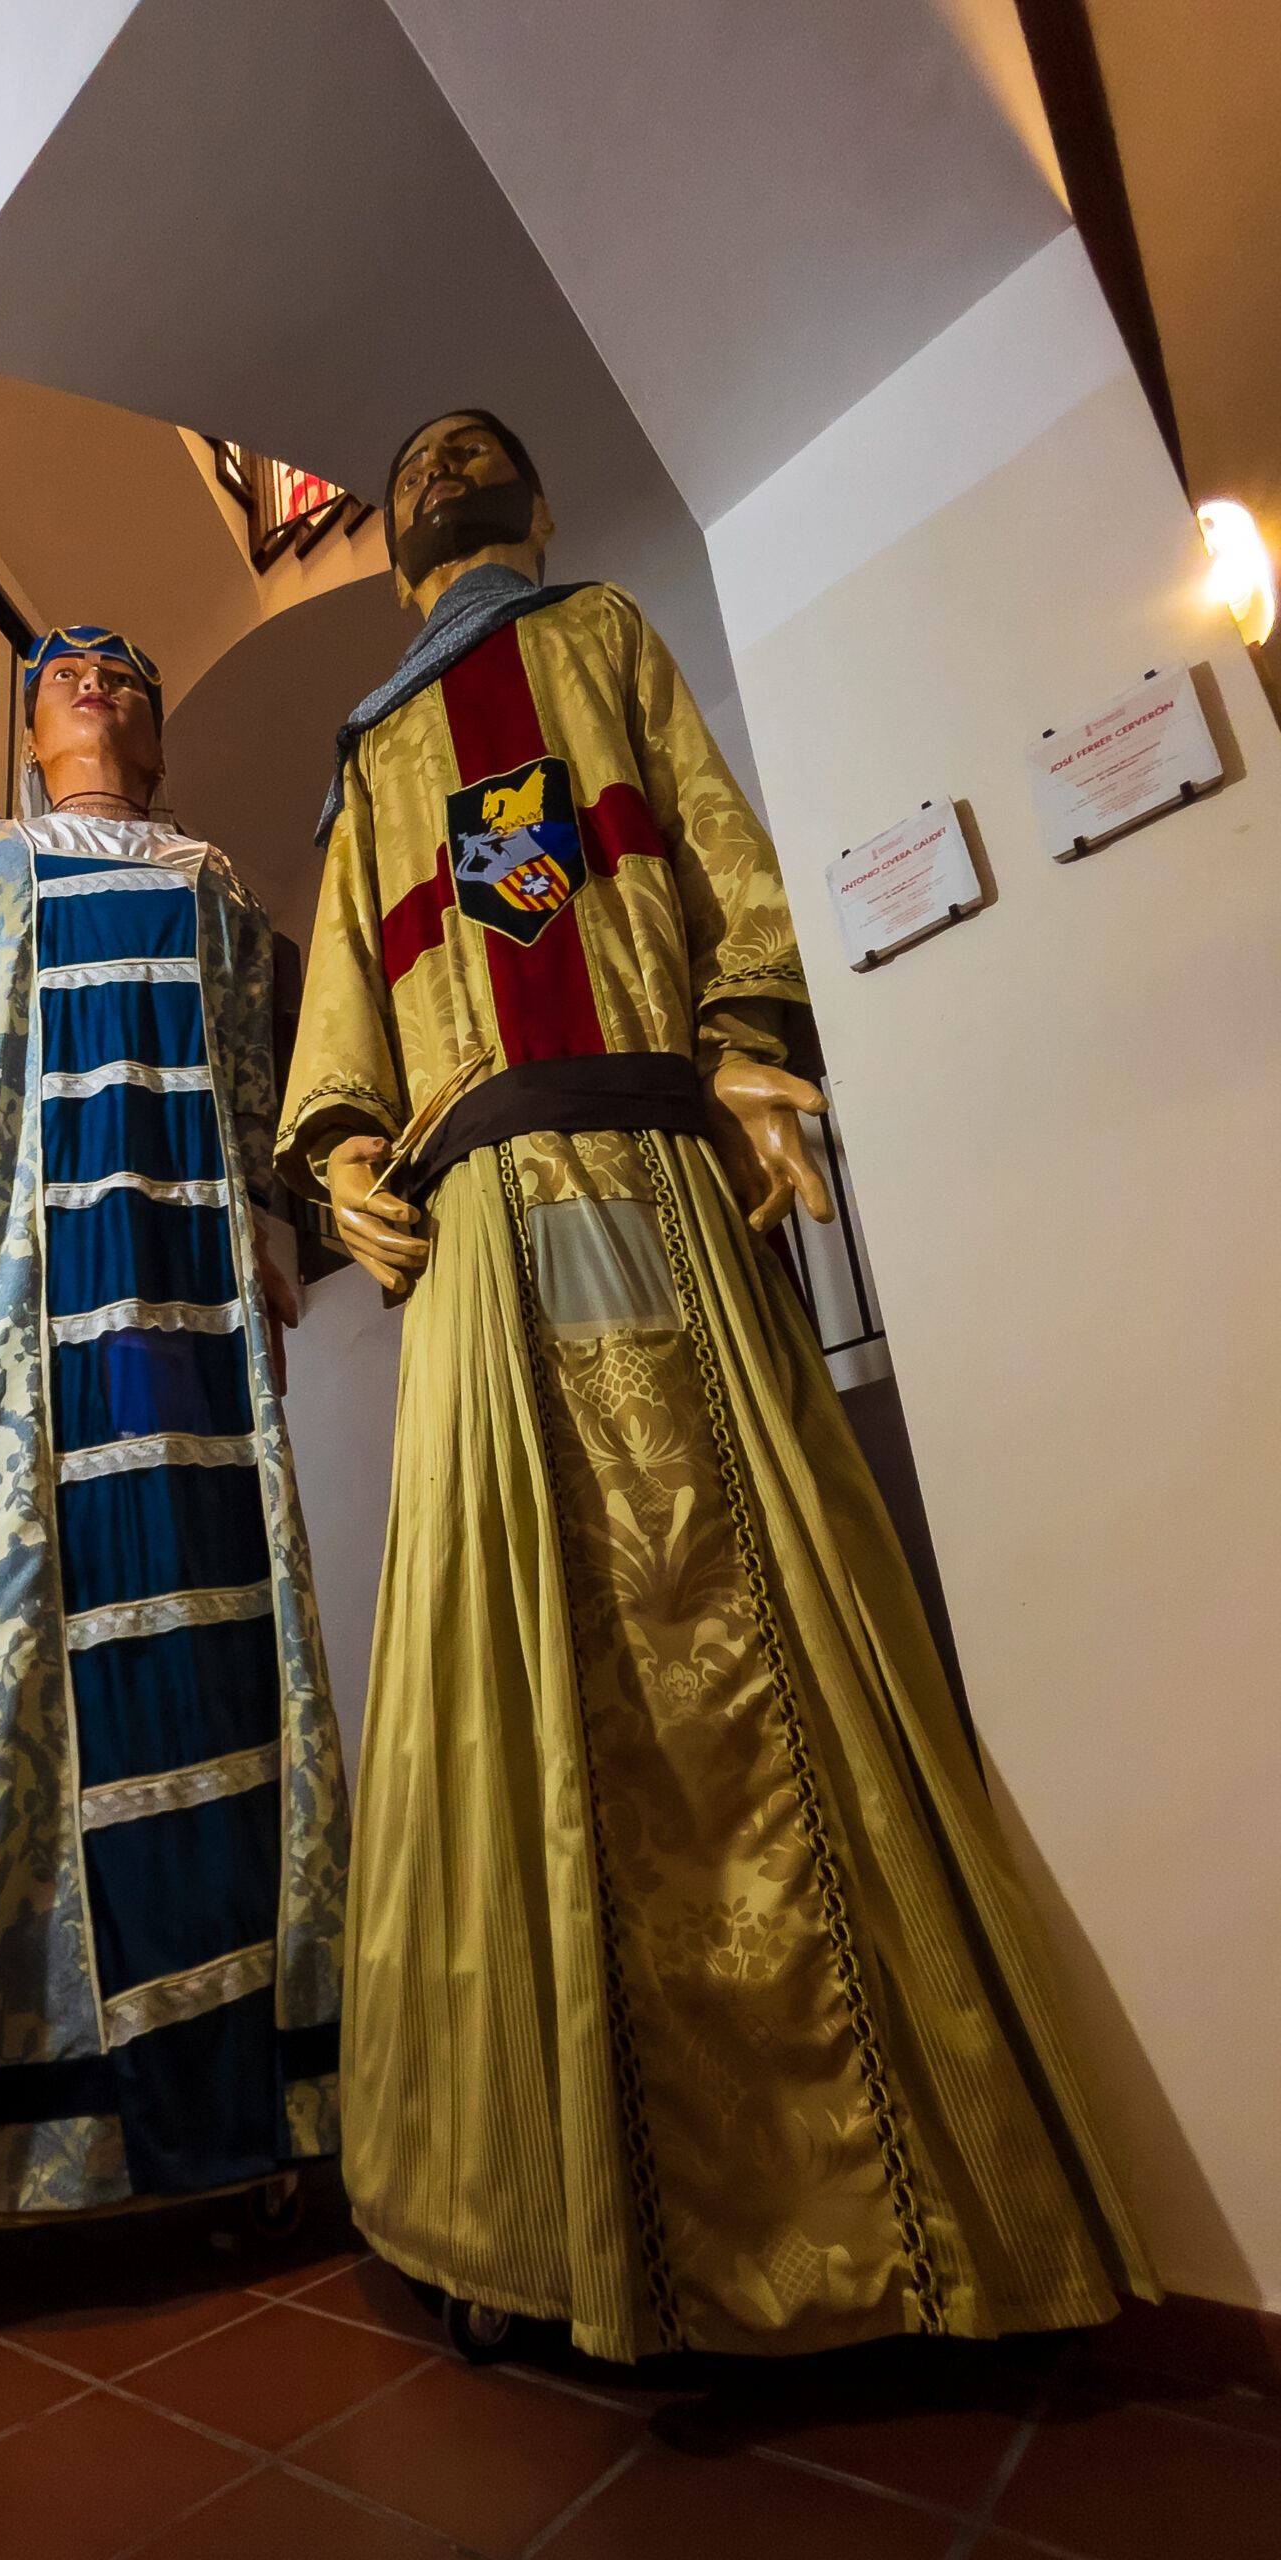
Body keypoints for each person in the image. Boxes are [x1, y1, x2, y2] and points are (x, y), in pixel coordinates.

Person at [275, 413, 1156, 2361]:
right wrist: (338, 1145)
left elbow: (711, 850)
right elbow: (345, 980)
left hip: (655, 1164)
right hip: (478, 1222)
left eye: (477, 452)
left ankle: (883, 2211)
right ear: (387, 543)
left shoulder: (605, 638)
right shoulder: (366, 757)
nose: (445, 469)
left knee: (733, 1589)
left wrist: (750, 1032)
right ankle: (522, 2200)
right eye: (418, 464)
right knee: (500, 1633)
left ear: (535, 505)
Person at [0, 626, 347, 2232]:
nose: (97, 685)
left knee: (210, 1605)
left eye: (126, 677)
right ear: (29, 732)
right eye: (64, 675)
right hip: (38, 1287)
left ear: (156, 738)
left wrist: (268, 1229)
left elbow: (243, 1069)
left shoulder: (214, 882)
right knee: (23, 1597)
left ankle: (258, 2084)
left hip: (185, 1300)